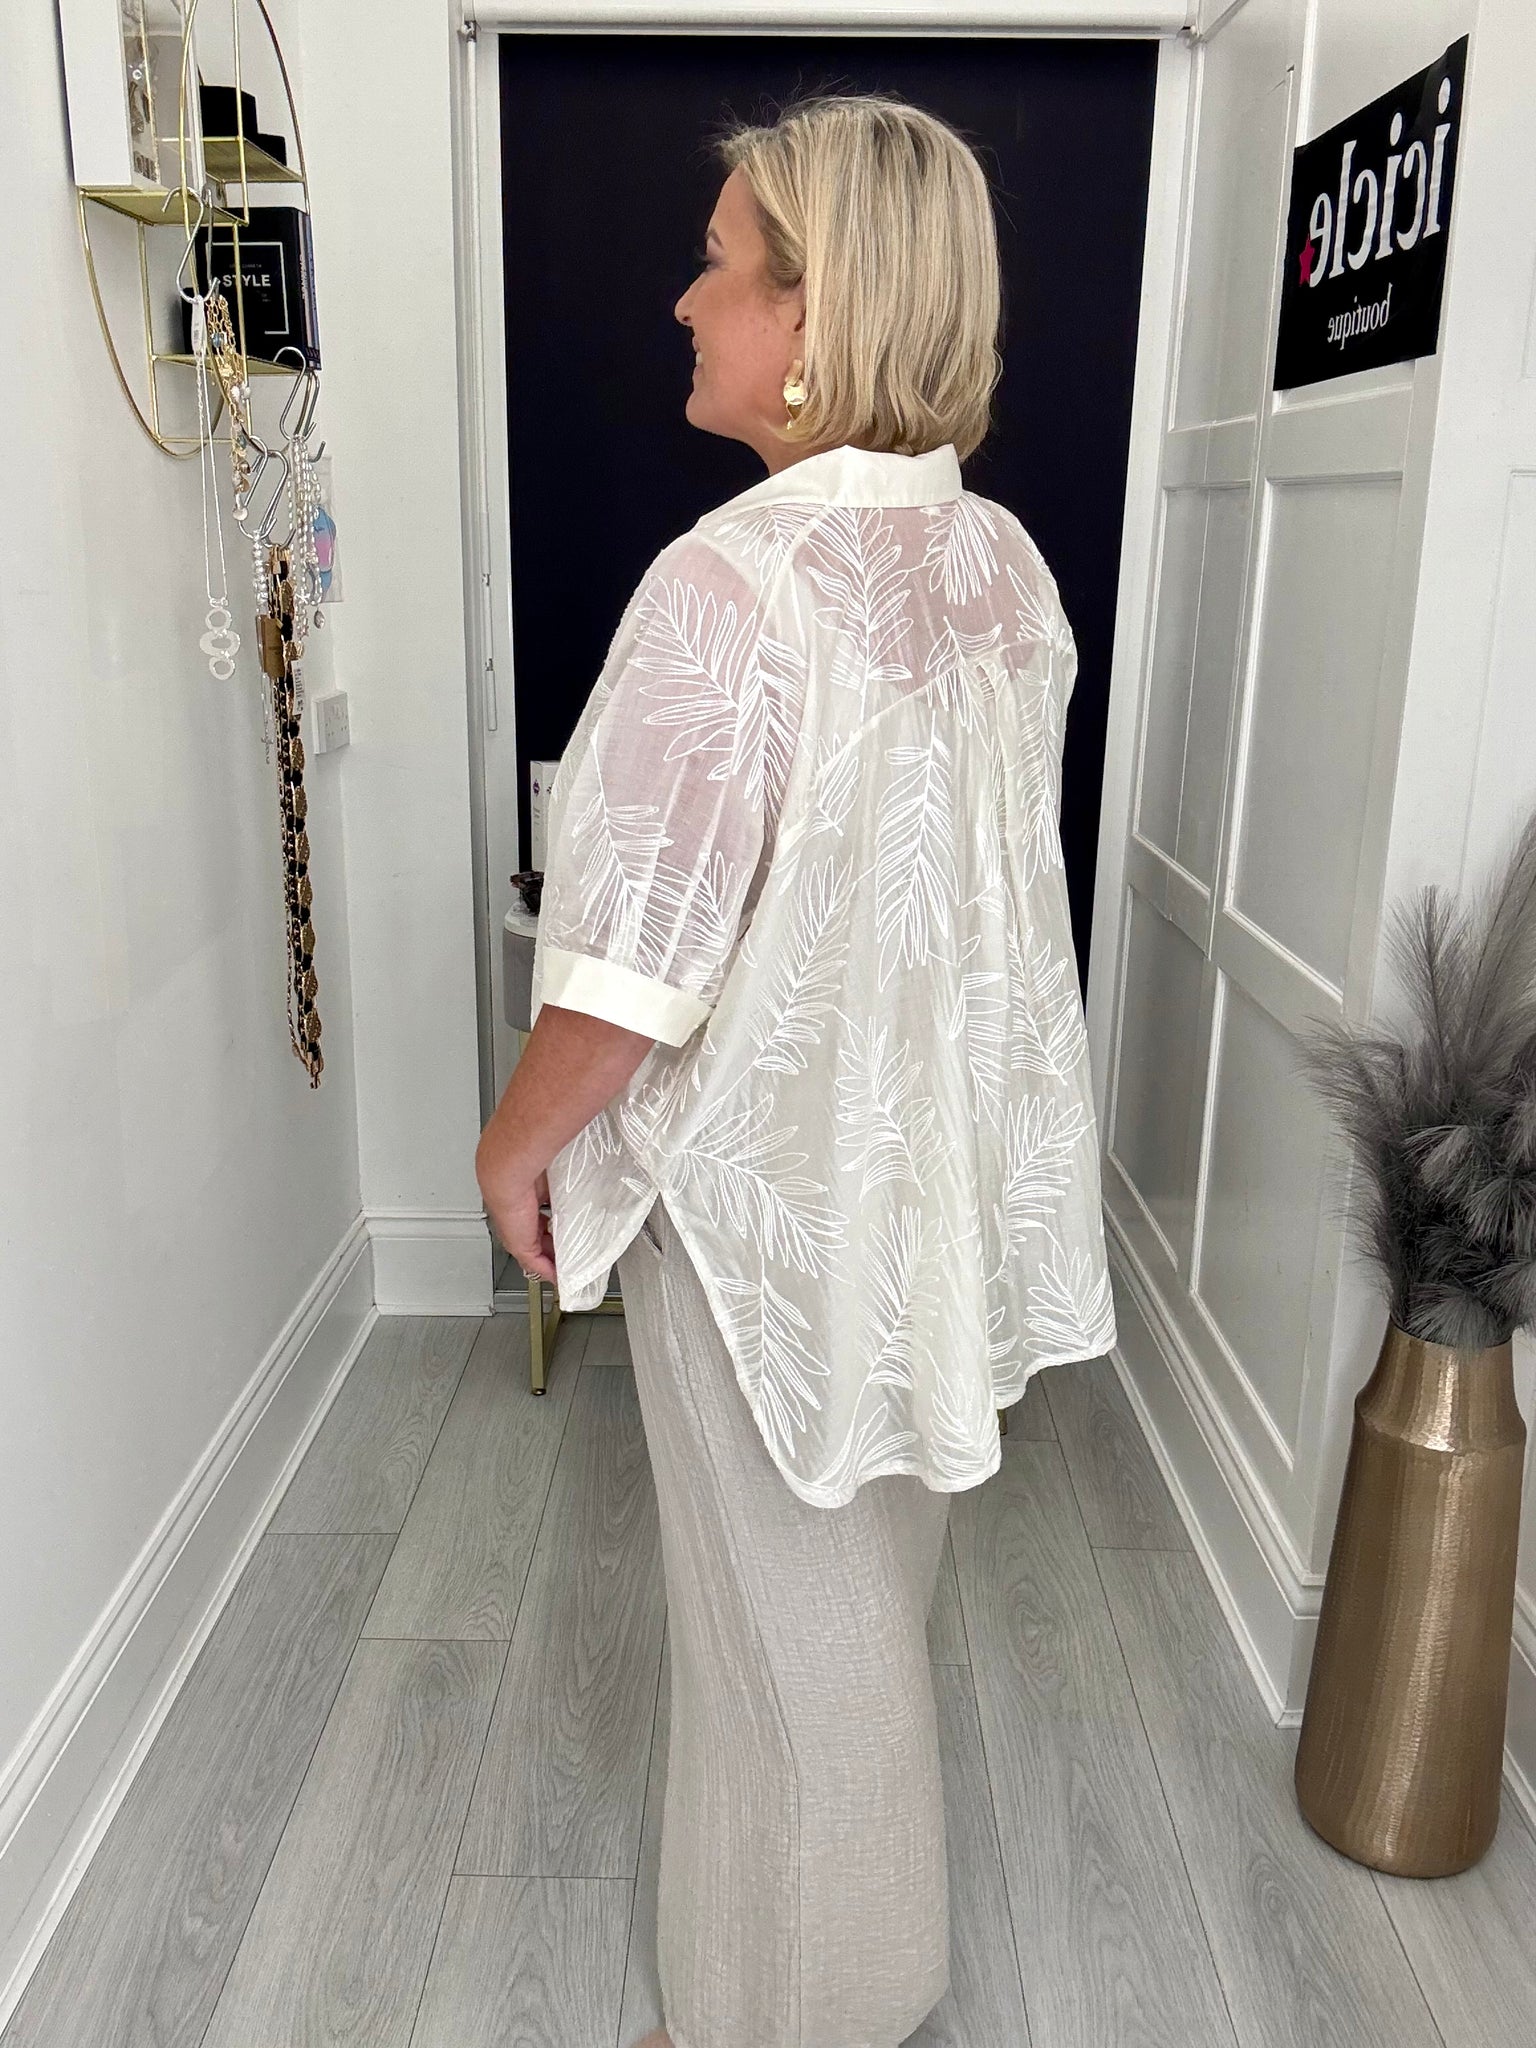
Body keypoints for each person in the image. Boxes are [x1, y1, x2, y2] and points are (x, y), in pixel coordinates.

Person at [475, 89, 1116, 2048]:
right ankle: (812, 1985)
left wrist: (514, 1144)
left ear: (820, 316)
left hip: (767, 1207)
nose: (686, 301)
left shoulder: (731, 590)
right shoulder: (1002, 565)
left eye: (724, 265)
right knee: (857, 1600)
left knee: (789, 1658)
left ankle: (787, 2016)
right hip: (934, 1182)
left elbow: (637, 957)